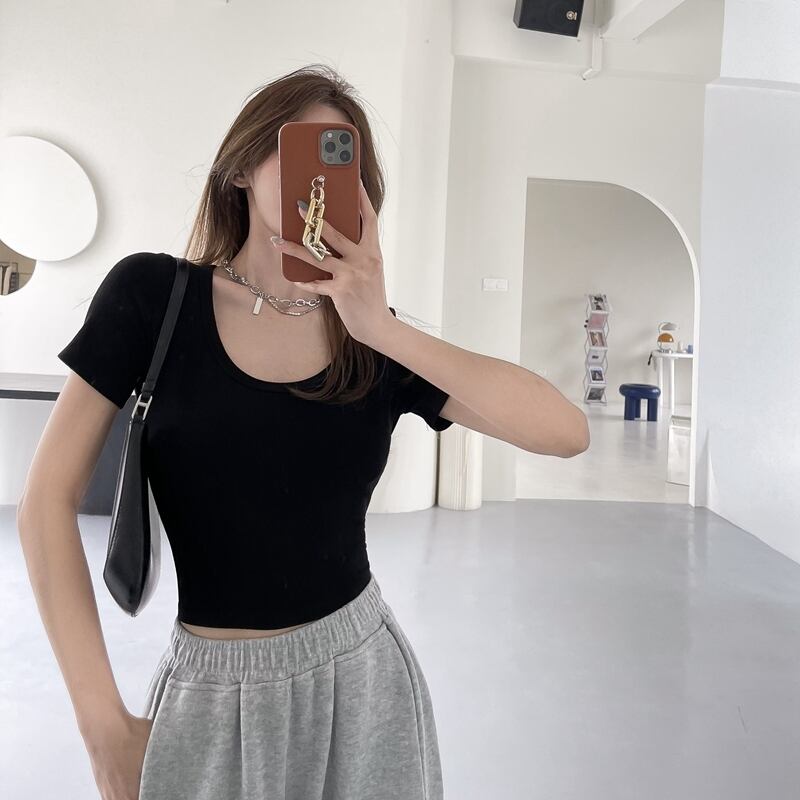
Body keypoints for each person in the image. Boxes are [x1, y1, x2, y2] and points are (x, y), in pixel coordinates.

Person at [18, 65, 455, 800]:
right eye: (299, 148)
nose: (318, 179)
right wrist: (103, 729)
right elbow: (44, 504)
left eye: (341, 159)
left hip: (364, 686)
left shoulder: (370, 341)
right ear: (243, 166)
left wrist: (380, 325)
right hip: (208, 695)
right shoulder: (152, 297)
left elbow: (562, 431)